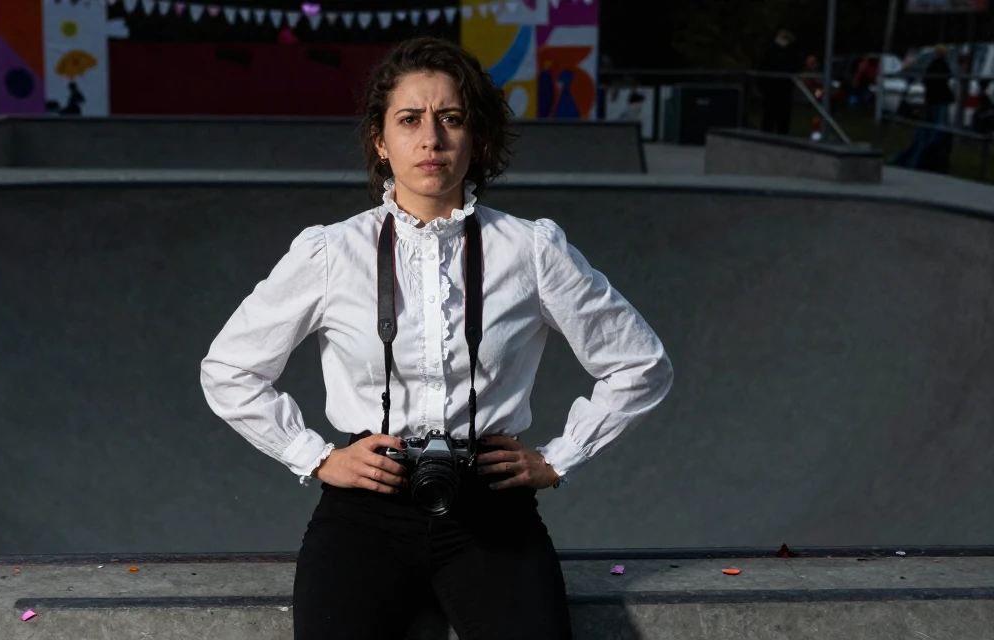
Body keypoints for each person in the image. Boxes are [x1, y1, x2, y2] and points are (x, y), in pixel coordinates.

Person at [200, 36, 674, 640]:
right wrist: (315, 455)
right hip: (365, 515)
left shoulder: (530, 250)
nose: (431, 138)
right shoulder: (330, 252)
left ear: (476, 139)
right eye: (409, 120)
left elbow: (641, 365)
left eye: (451, 118)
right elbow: (228, 368)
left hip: (493, 509)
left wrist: (560, 457)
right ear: (381, 139)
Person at [758, 29, 800, 135]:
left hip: (782, 89)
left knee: (781, 117)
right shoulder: (771, 51)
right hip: (772, 88)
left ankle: (777, 135)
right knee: (770, 116)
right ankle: (768, 134)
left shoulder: (789, 52)